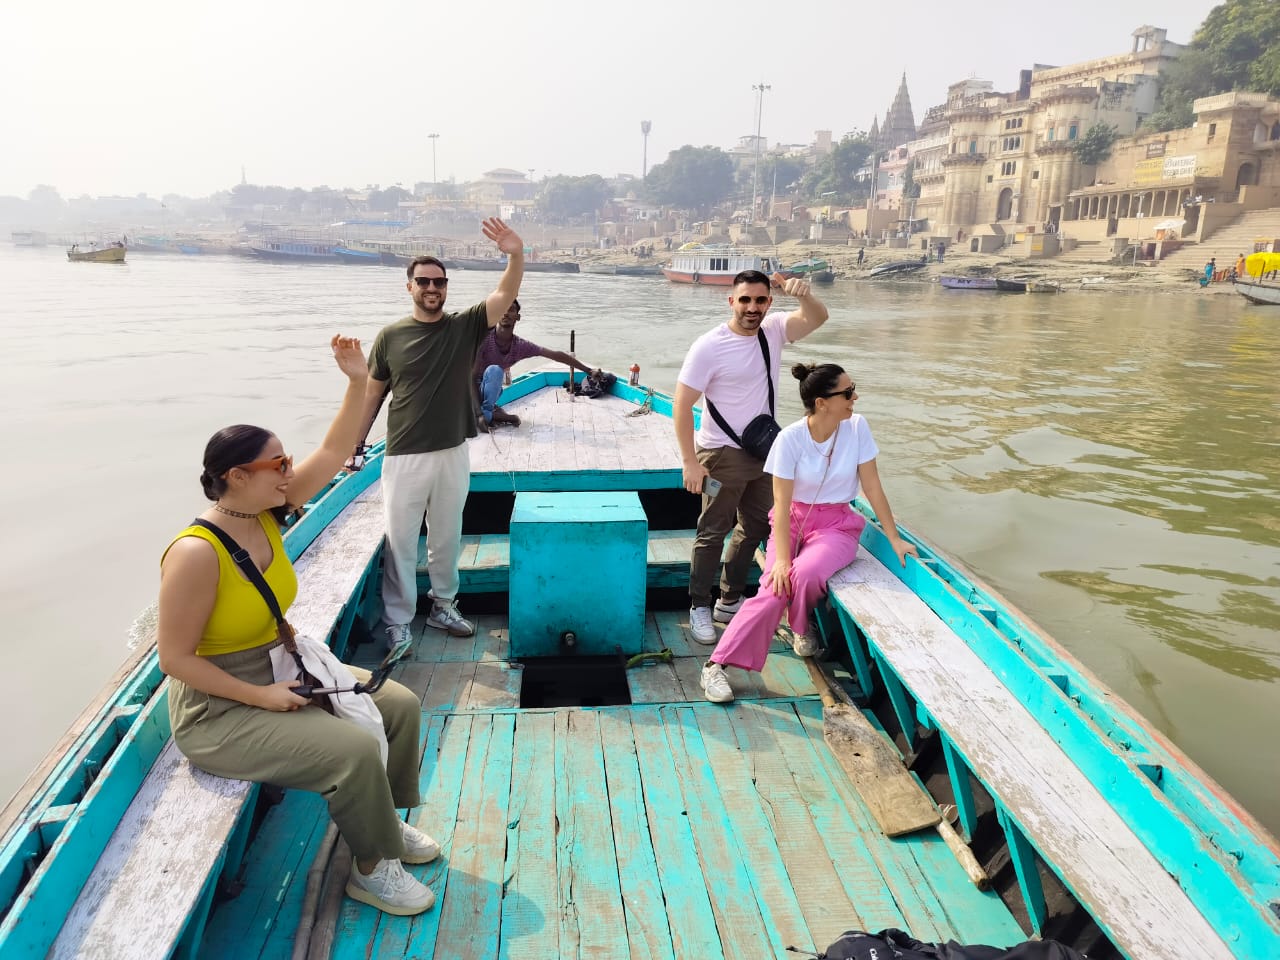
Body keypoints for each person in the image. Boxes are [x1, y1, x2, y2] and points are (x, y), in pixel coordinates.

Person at [157, 336, 439, 916]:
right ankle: (370, 869)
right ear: (236, 475)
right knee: (355, 749)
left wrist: (358, 382)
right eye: (278, 464)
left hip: (279, 666)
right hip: (219, 707)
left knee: (401, 706)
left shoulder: (266, 511)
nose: (290, 471)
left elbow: (336, 452)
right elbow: (175, 660)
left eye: (288, 462)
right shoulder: (195, 554)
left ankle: (385, 823)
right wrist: (260, 695)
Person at [700, 362, 917, 703]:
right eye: (847, 392)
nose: (854, 397)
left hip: (837, 526)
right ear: (822, 402)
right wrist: (782, 559)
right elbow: (781, 504)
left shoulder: (858, 427)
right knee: (774, 586)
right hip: (792, 521)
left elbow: (873, 487)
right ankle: (717, 665)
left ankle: (800, 625)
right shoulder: (789, 440)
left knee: (806, 574)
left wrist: (894, 538)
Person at [358, 218, 524, 648]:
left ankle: (442, 606)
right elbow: (371, 395)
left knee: (448, 537)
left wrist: (515, 254)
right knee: (401, 541)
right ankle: (398, 620)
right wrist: (354, 447)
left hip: (453, 451)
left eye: (440, 282)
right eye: (424, 281)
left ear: (446, 287)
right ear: (409, 286)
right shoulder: (390, 337)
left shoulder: (463, 327)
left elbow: (504, 294)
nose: (432, 288)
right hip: (404, 455)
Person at [674, 270, 829, 644]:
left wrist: (804, 295)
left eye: (760, 300)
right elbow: (681, 406)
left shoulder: (773, 330)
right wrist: (689, 462)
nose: (752, 308)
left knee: (759, 525)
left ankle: (729, 599)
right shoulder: (709, 346)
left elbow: (818, 317)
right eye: (745, 300)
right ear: (732, 301)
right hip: (720, 453)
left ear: (769, 303)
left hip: (763, 451)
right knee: (713, 530)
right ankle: (698, 604)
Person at [473, 299, 596, 430]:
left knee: (495, 372)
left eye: (511, 310)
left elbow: (555, 355)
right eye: (502, 309)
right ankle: (495, 416)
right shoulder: (484, 338)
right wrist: (479, 413)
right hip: (468, 389)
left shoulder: (520, 346)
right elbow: (469, 376)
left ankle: (489, 413)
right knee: (494, 371)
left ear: (518, 317)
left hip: (489, 391)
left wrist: (588, 371)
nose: (505, 313)